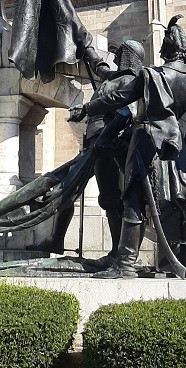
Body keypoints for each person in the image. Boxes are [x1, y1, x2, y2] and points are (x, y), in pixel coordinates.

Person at [69, 16, 186, 279]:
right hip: (174, 145)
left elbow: (118, 97)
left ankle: (125, 265)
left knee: (133, 199)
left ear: (167, 49)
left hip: (146, 141)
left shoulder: (151, 75)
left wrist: (87, 108)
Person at [28, 39, 145, 269]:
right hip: (93, 143)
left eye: (120, 54)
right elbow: (99, 66)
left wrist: (87, 111)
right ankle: (57, 240)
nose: (116, 57)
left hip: (108, 143)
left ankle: (117, 253)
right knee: (70, 186)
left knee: (110, 196)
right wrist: (86, 45)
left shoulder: (130, 82)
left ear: (129, 56)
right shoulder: (113, 77)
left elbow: (119, 108)